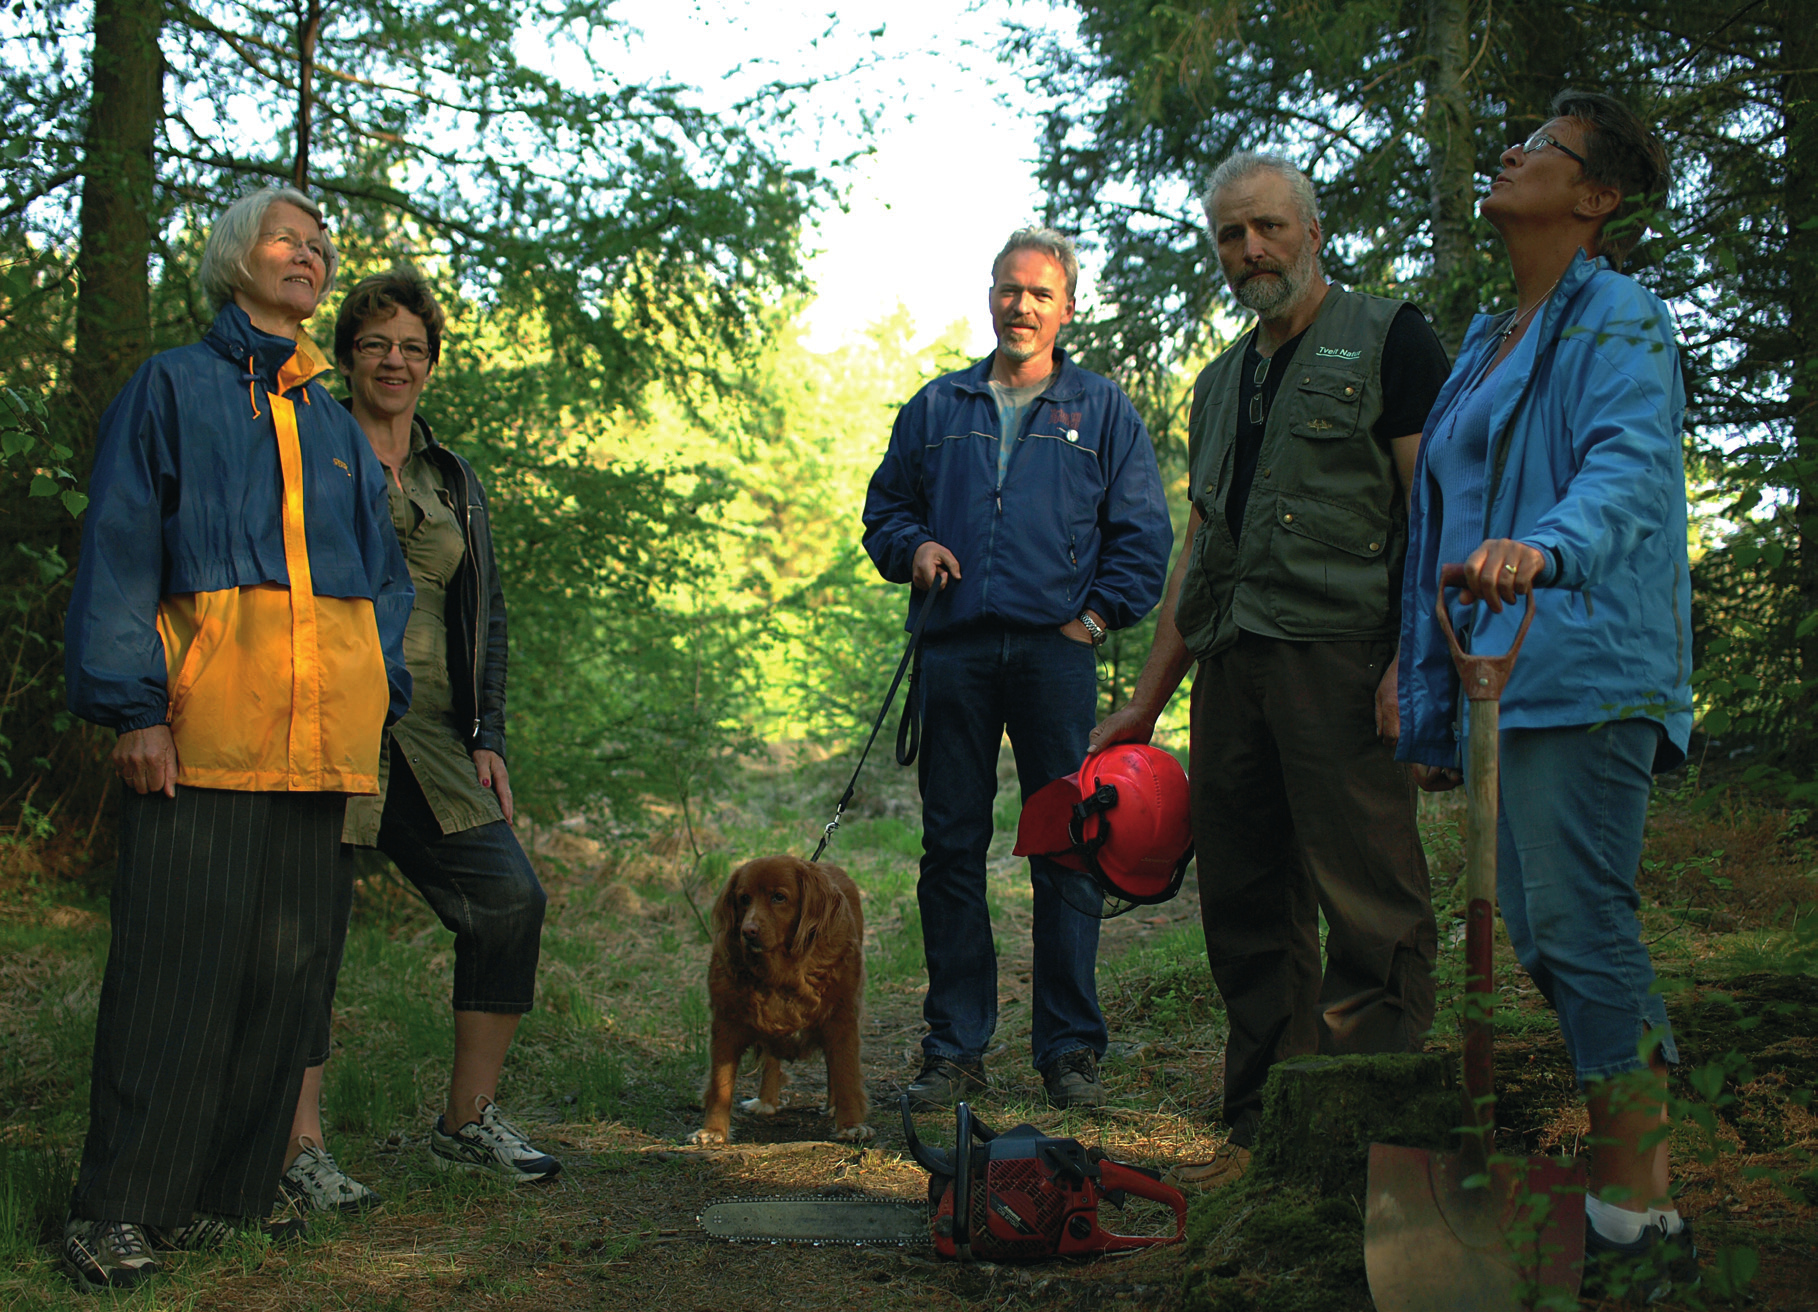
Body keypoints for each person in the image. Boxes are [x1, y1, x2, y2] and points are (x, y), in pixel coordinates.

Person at [60, 186, 412, 1292]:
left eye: (321, 245)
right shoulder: (170, 386)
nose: (308, 255)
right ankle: (117, 1208)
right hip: (201, 738)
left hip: (322, 754)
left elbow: (382, 583)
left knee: (287, 983)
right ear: (234, 258)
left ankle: (230, 1193)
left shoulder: (331, 420)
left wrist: (375, 688)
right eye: (286, 239)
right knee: (173, 982)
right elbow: (119, 546)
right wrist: (131, 709)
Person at [1397, 91, 1695, 1295]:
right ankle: (1631, 1192)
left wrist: (1545, 545)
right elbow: (1440, 519)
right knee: (1540, 936)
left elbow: (1630, 466)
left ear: (1597, 197)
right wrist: (1412, 675)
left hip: (1587, 664)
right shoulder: (1486, 338)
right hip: (1498, 681)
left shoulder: (1620, 317)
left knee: (1581, 926)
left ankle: (1643, 1218)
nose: (1512, 153)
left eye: (1544, 148)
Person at [1089, 152, 1447, 1156]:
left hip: (1344, 661)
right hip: (1231, 673)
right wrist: (1150, 699)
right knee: (1245, 898)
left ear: (1311, 231)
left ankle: (1369, 1131)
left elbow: (1439, 510)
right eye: (1230, 237)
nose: (1249, 250)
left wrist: (1411, 665)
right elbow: (1198, 554)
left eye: (1268, 229)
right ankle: (1267, 1128)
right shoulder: (1218, 385)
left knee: (1369, 894)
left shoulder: (1393, 340)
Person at [862, 227, 1172, 1110]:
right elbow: (884, 512)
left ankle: (1069, 1051)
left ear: (1066, 307)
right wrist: (915, 545)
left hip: (1055, 657)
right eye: (1008, 289)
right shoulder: (937, 406)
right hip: (954, 651)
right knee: (951, 849)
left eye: (1040, 293)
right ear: (989, 297)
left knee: (1070, 848)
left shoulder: (1102, 410)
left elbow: (1143, 536)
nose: (1021, 306)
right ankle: (954, 1048)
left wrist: (1096, 617)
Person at [278, 266, 556, 1214]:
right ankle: (298, 1149)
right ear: (346, 357)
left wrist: (491, 735)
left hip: (434, 736)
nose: (394, 361)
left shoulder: (450, 478)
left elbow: (489, 612)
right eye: (374, 344)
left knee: (509, 899)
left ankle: (466, 1122)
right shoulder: (310, 445)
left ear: (431, 364)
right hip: (323, 723)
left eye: (411, 347)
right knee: (307, 930)